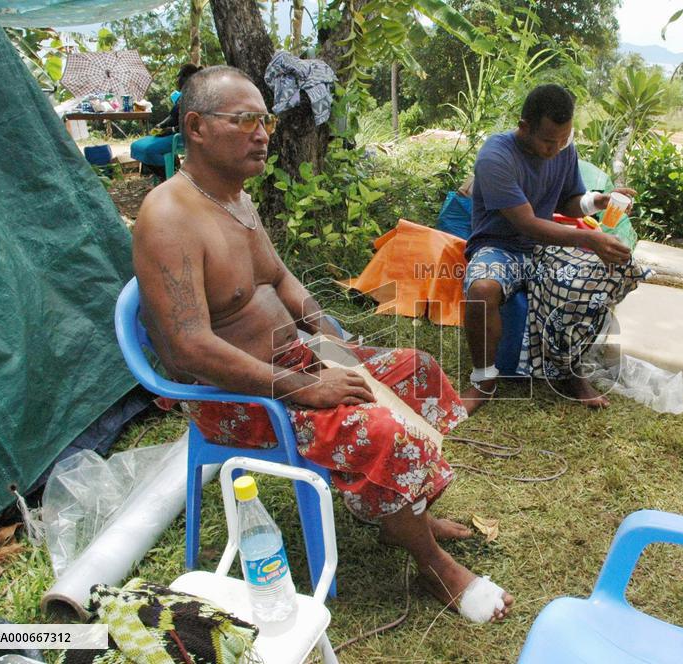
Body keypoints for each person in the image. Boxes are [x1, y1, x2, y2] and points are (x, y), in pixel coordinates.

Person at [132, 65, 512, 623]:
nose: (263, 133)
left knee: (417, 369)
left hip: (297, 360)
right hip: (240, 398)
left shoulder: (235, 199)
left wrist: (325, 330)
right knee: (381, 428)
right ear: (196, 126)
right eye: (245, 121)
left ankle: (401, 510)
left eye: (265, 119)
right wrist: (303, 388)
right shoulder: (168, 218)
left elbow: (281, 281)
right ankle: (433, 564)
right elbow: (187, 349)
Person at [461, 84, 646, 414]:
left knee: (592, 280)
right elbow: (527, 223)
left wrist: (597, 201)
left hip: (544, 248)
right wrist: (588, 240)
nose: (556, 148)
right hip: (499, 246)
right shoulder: (496, 156)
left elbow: (569, 203)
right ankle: (484, 380)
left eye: (564, 140)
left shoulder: (563, 150)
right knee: (482, 288)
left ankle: (570, 373)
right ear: (524, 127)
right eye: (548, 141)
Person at [130, 64, 202, 179]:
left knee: (149, 150)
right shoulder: (182, 97)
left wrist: (172, 130)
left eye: (179, 78)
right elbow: (172, 116)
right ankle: (165, 176)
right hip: (172, 134)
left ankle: (170, 178)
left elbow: (196, 125)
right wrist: (162, 125)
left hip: (184, 137)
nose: (177, 81)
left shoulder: (199, 99)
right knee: (137, 146)